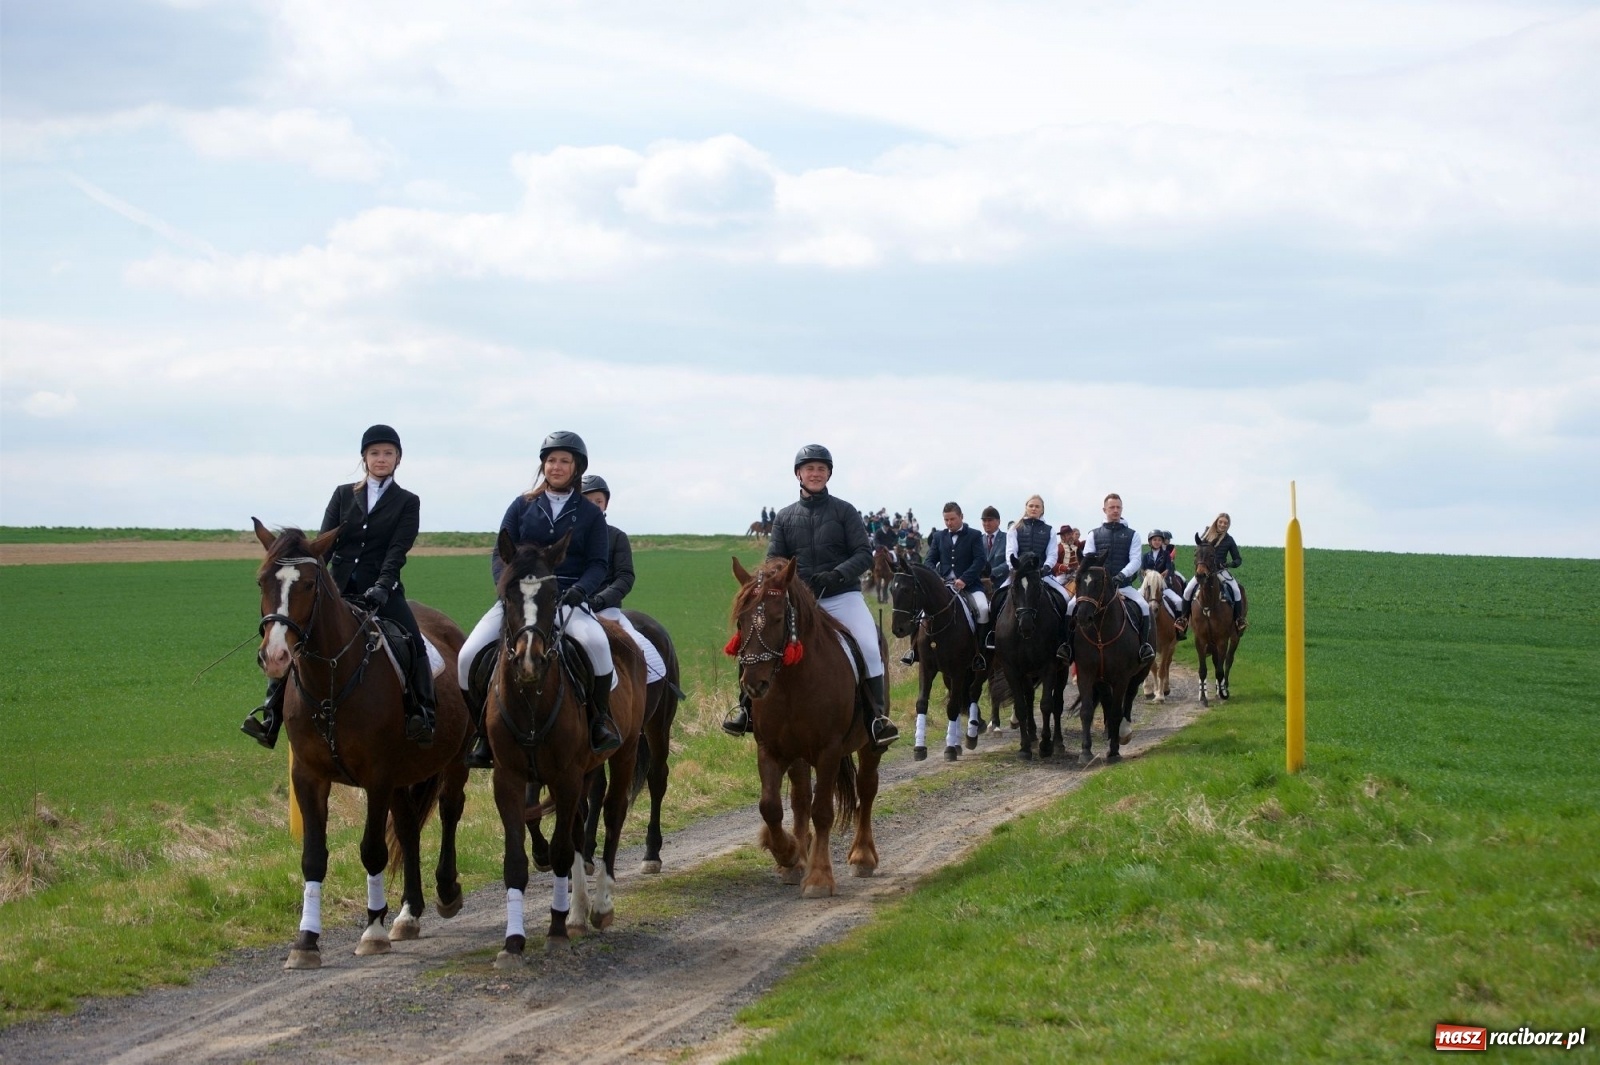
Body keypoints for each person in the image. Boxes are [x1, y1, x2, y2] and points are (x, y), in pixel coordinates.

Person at [242, 424, 436, 750]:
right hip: (335, 590)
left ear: (398, 459)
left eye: (388, 453)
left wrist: (382, 587)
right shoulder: (343, 494)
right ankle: (271, 717)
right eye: (375, 453)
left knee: (413, 641)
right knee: (294, 637)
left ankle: (422, 712)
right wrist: (317, 583)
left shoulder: (407, 502)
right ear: (364, 457)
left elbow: (396, 552)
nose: (381, 459)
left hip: (382, 590)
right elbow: (320, 547)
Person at [458, 431, 622, 769]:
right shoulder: (522, 506)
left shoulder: (589, 514)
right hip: (519, 599)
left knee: (596, 644)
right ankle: (481, 734)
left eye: (564, 460)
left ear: (576, 467)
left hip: (567, 597)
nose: (556, 466)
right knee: (467, 654)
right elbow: (499, 553)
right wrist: (507, 591)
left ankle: (599, 722)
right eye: (551, 460)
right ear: (543, 465)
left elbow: (598, 564)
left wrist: (581, 591)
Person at [723, 444, 899, 747]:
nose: (815, 473)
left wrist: (838, 574)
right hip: (799, 600)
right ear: (798, 474)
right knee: (757, 638)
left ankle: (876, 718)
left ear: (828, 474)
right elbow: (774, 559)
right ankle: (746, 709)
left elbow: (863, 554)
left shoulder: (845, 511)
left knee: (870, 646)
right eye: (809, 469)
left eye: (821, 469)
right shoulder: (784, 517)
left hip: (842, 596)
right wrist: (782, 582)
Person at [580, 473, 670, 685]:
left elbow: (624, 577)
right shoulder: (564, 537)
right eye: (586, 501)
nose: (593, 506)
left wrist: (599, 600)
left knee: (649, 661)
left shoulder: (616, 537)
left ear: (606, 504)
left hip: (606, 610)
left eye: (598, 501)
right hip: (571, 609)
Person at [1074, 493, 1156, 663]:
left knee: (1143, 607)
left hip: (1123, 585)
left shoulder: (1132, 535)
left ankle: (1144, 647)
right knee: (1070, 607)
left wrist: (1121, 576)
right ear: (1104, 510)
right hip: (1097, 589)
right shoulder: (1093, 535)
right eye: (1112, 507)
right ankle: (1067, 646)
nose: (1115, 510)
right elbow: (1088, 560)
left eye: (1118, 507)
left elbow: (1135, 560)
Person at [985, 494, 1070, 651]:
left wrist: (1045, 568)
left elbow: (1051, 554)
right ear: (1026, 507)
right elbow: (1010, 553)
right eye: (1031, 506)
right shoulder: (1015, 528)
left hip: (1042, 574)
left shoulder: (1049, 530)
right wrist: (1016, 569)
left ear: (1042, 510)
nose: (1034, 509)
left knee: (1065, 598)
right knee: (994, 602)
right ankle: (992, 635)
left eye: (1037, 506)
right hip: (1018, 575)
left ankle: (1063, 640)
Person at [1175, 512, 1247, 633]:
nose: (1223, 525)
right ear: (1216, 522)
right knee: (1187, 590)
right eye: (1221, 522)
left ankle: (1238, 620)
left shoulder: (1229, 540)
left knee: (1236, 590)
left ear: (1228, 525)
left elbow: (1238, 559)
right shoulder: (1207, 535)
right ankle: (1183, 620)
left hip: (1220, 571)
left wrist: (1228, 564)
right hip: (1204, 570)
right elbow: (1198, 550)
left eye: (1226, 523)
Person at [1141, 530, 1187, 627]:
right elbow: (1142, 571)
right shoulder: (1145, 556)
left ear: (1162, 542)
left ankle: (1179, 625)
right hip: (1148, 587)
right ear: (1150, 542)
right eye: (1154, 540)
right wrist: (1145, 582)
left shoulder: (1166, 555)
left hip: (1163, 586)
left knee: (1179, 602)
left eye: (1159, 540)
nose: (1157, 542)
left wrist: (1162, 578)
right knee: (1135, 601)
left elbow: (1169, 568)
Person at [980, 506, 1008, 588]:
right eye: (984, 521)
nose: (987, 523)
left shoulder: (1007, 538)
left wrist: (992, 573)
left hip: (1002, 585)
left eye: (990, 520)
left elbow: (1009, 562)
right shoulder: (978, 540)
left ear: (998, 522)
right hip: (982, 585)